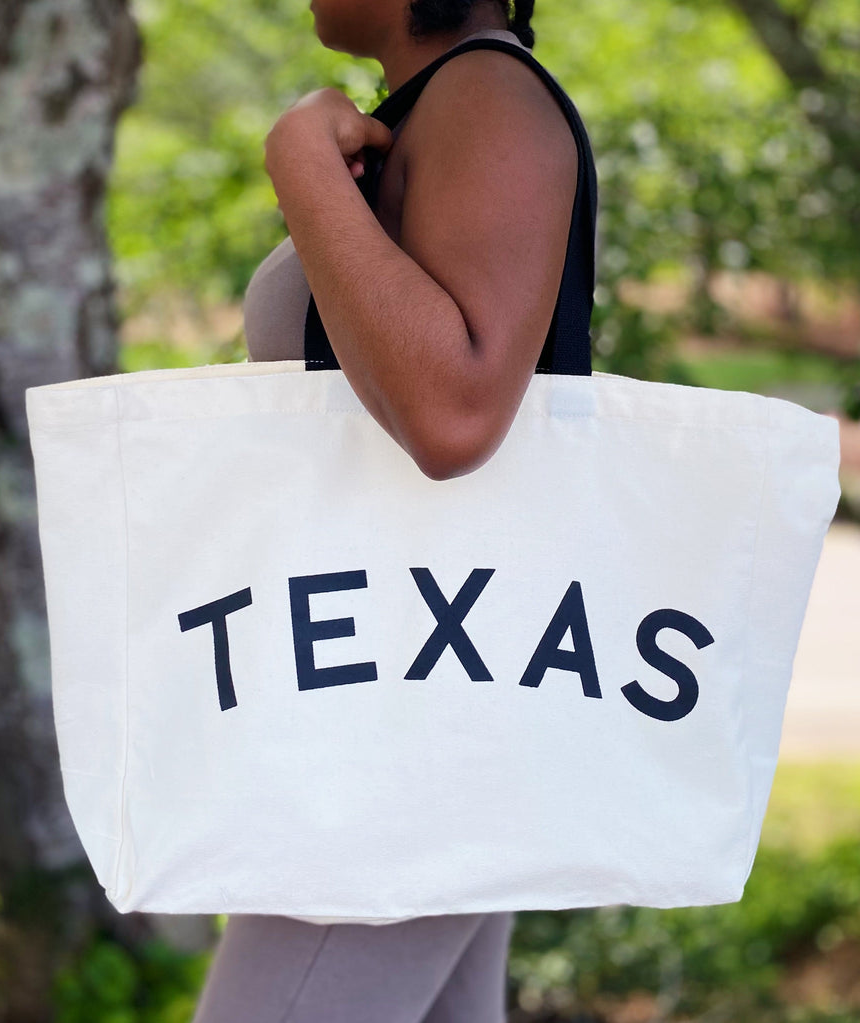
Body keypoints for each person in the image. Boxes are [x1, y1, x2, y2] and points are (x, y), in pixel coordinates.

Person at [191, 0, 592, 1019]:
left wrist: (301, 165)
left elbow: (453, 414)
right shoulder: (441, 104)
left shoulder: (487, 95)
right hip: (417, 679)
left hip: (413, 717)